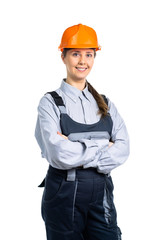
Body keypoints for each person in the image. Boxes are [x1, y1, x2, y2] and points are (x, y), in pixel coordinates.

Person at [35, 23, 130, 240]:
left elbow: (123, 149)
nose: (82, 61)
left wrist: (75, 146)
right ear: (64, 57)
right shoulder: (49, 103)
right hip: (63, 194)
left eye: (89, 54)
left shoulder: (105, 103)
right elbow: (59, 154)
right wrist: (104, 146)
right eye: (75, 54)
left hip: (101, 193)